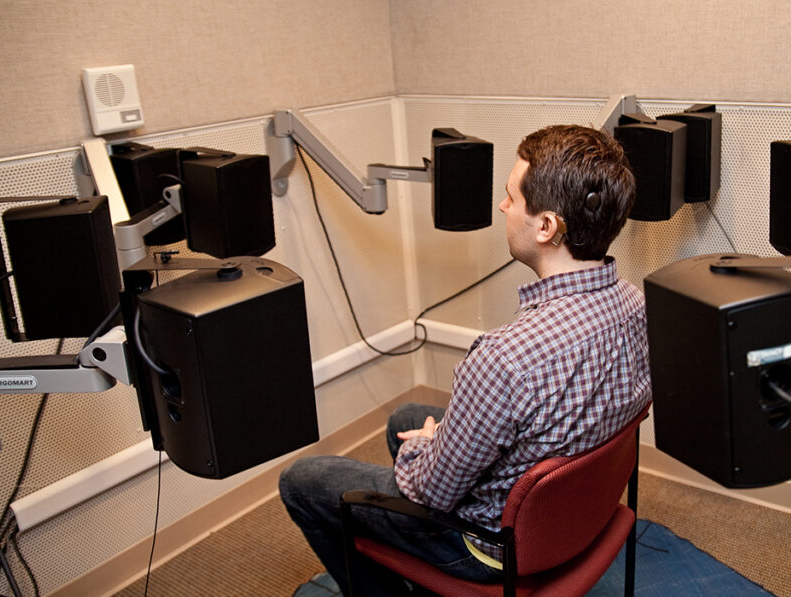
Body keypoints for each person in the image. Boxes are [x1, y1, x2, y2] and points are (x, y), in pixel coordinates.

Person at [279, 124, 652, 595]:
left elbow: (430, 493)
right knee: (406, 418)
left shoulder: (503, 359)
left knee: (302, 480)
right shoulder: (634, 304)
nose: (503, 208)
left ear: (546, 226)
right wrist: (435, 439)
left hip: (494, 550)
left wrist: (426, 448)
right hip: (578, 513)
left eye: (511, 198)